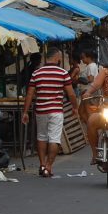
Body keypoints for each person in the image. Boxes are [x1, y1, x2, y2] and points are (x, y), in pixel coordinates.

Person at [21, 47, 79, 178]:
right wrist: (75, 108)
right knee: (54, 138)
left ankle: (41, 164)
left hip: (41, 110)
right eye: (59, 58)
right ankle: (48, 167)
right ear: (57, 57)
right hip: (56, 110)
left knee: (41, 136)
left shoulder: (37, 73)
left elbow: (30, 93)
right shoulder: (62, 73)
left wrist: (25, 112)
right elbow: (71, 93)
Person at [72, 50, 100, 128]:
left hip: (88, 92)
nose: (82, 60)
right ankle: (90, 127)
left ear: (89, 57)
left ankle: (92, 128)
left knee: (88, 112)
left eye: (83, 58)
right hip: (86, 92)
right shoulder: (91, 66)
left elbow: (90, 79)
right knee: (81, 111)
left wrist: (79, 79)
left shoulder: (91, 66)